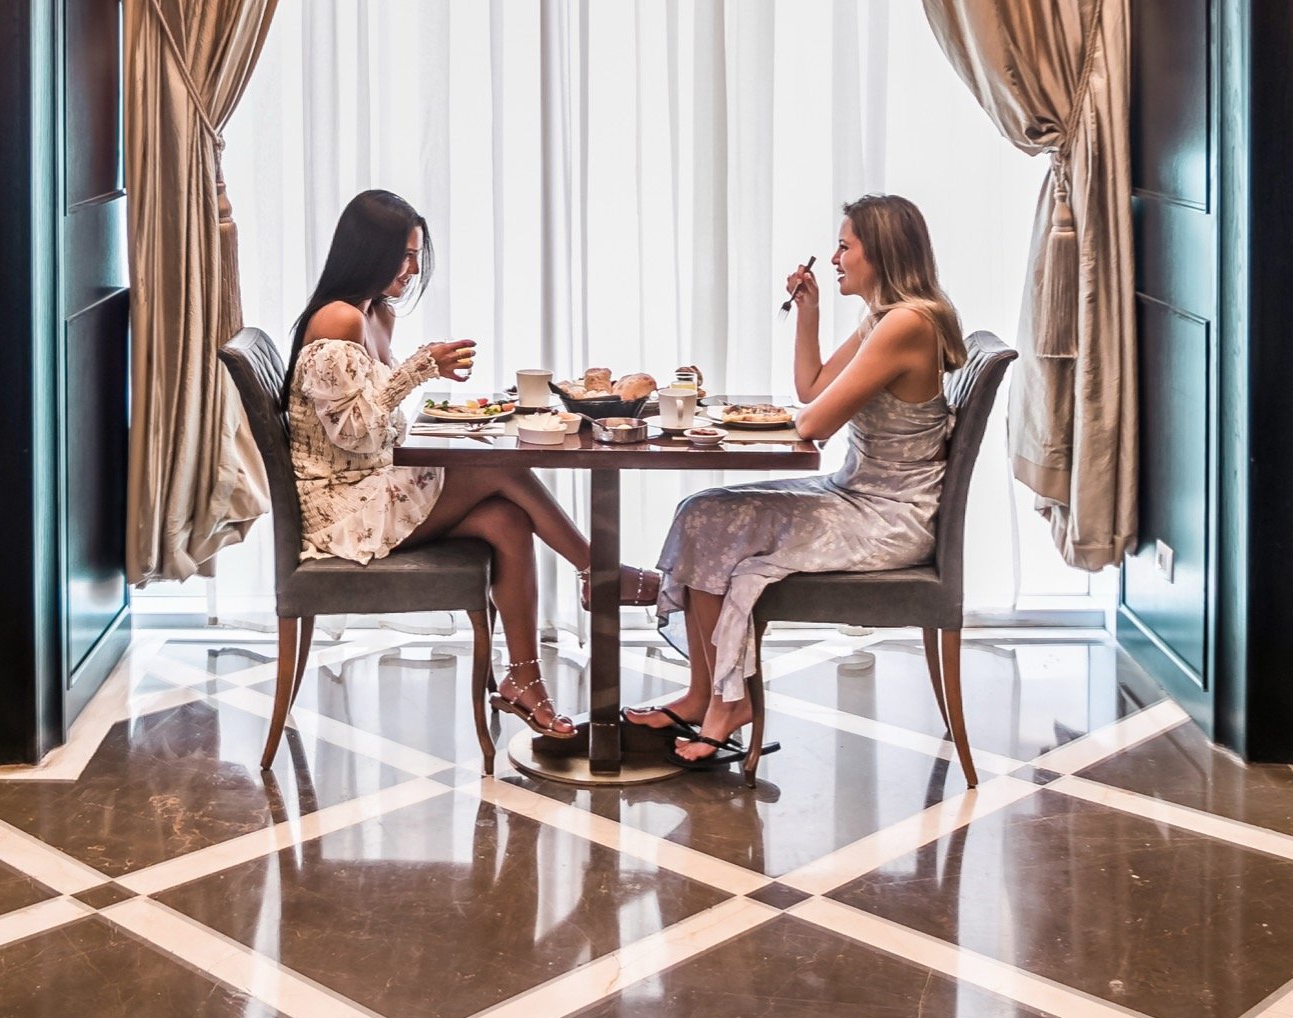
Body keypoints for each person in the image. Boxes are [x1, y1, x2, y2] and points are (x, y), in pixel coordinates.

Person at [284, 189, 652, 743]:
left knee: (506, 519)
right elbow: (357, 437)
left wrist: (416, 375)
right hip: (340, 510)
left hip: (368, 486)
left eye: (414, 256)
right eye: (402, 256)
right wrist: (418, 370)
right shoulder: (338, 321)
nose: (410, 270)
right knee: (497, 469)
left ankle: (525, 682)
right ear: (368, 252)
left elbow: (382, 429)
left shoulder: (374, 314)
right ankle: (600, 573)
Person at [630, 194, 966, 767]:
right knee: (703, 512)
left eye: (845, 246)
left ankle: (727, 703)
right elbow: (811, 389)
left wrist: (805, 412)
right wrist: (808, 314)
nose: (835, 258)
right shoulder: (889, 318)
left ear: (879, 251)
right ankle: (704, 693)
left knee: (709, 519)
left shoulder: (907, 323)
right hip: (860, 496)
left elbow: (813, 423)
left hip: (885, 518)